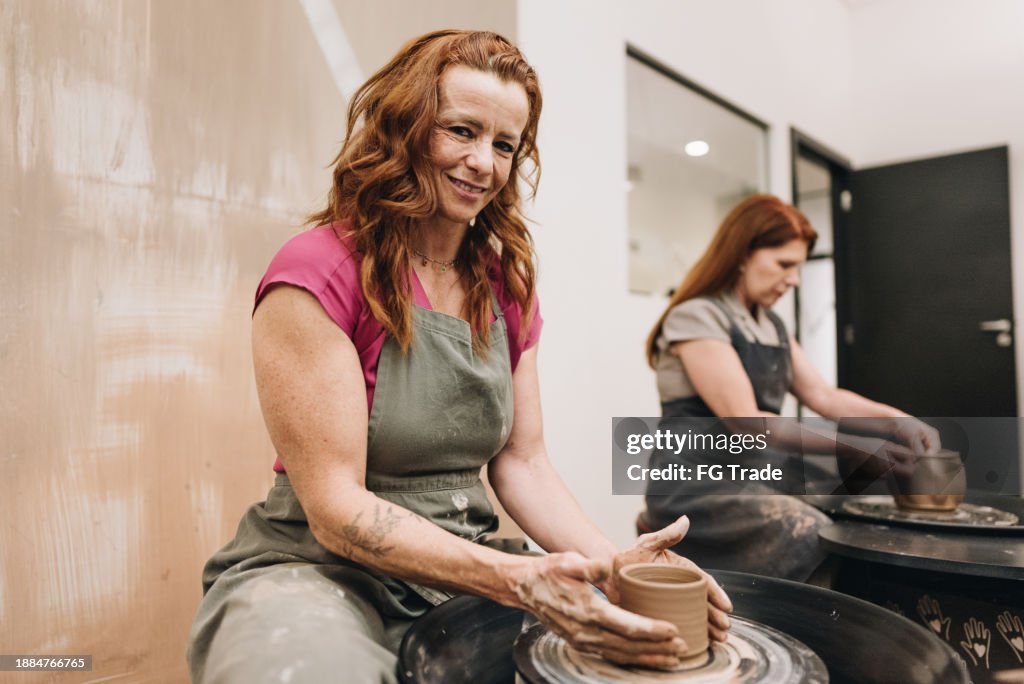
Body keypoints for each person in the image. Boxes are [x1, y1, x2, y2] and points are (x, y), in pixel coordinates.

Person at [186, 30, 731, 683]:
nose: (483, 162)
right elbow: (335, 508)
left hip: (465, 564)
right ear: (405, 128)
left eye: (504, 144)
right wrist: (517, 578)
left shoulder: (504, 286)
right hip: (320, 570)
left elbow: (523, 464)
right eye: (461, 131)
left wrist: (614, 567)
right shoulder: (321, 270)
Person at [640, 194, 940, 582]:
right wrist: (856, 446)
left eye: (798, 267)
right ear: (743, 254)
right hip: (696, 486)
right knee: (818, 536)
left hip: (756, 473)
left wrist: (897, 420)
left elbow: (824, 397)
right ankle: (807, 634)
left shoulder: (773, 326)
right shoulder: (697, 316)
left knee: (861, 509)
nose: (794, 279)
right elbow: (747, 423)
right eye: (785, 265)